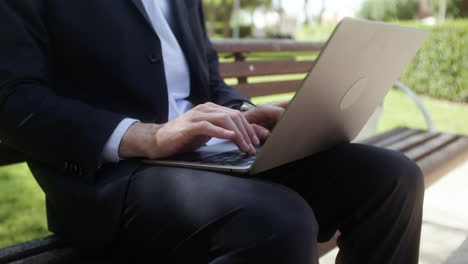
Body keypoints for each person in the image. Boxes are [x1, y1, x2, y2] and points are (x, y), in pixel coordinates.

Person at [0, 0, 424, 263]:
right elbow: (12, 99)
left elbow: (210, 84)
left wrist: (247, 112)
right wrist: (146, 135)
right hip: (114, 176)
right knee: (278, 220)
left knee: (393, 177)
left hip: (207, 154)